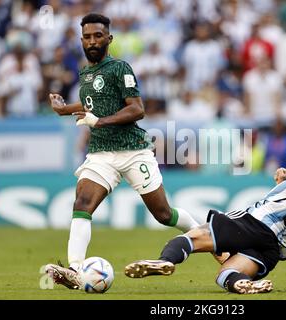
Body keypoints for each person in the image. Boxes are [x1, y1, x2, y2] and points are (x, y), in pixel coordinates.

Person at [45, 13, 199, 289]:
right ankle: (75, 270)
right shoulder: (85, 72)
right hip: (101, 153)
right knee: (82, 204)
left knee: (163, 214)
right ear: (81, 40)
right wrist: (64, 109)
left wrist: (99, 121)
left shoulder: (120, 68)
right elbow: (92, 105)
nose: (92, 41)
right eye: (88, 37)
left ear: (109, 38)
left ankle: (207, 238)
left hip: (133, 151)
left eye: (98, 36)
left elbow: (137, 109)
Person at [124, 137, 286, 294]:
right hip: (271, 249)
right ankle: (245, 284)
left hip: (253, 225)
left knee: (193, 237)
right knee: (226, 274)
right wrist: (283, 183)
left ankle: (166, 260)